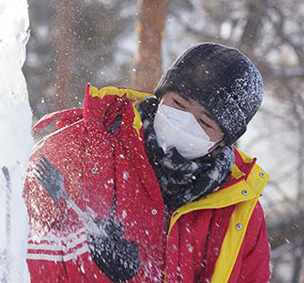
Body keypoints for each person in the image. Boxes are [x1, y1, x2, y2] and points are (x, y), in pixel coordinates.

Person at [24, 43, 271, 282]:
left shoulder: (237, 209)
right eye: (178, 104)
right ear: (161, 96)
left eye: (204, 123)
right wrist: (84, 249)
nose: (183, 123)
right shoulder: (80, 148)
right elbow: (14, 250)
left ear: (223, 141)